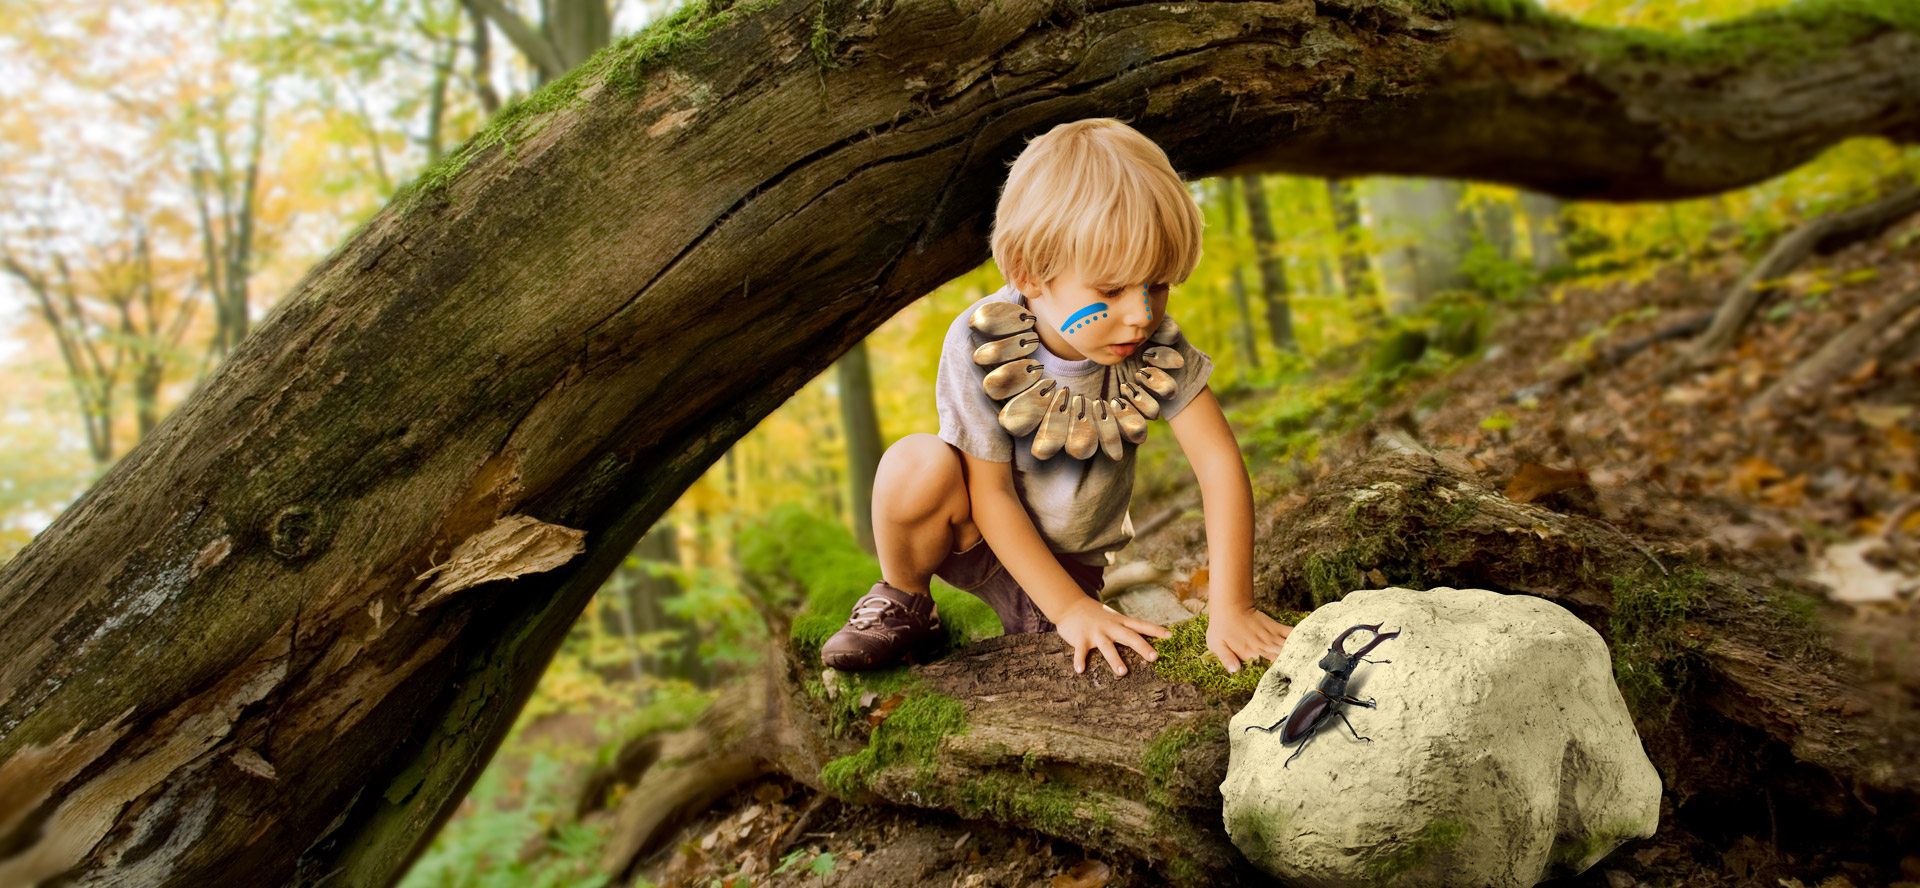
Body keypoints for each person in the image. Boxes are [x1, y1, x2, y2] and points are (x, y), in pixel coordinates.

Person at [820, 118, 1291, 678]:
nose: (1141, 315)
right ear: (1031, 273)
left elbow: (1217, 463)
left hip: (1070, 560)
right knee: (913, 460)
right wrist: (1070, 612)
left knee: (1070, 661)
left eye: (1158, 285)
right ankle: (904, 602)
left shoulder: (1155, 345)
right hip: (978, 534)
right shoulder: (980, 340)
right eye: (1112, 290)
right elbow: (988, 493)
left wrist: (1231, 607)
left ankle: (1044, 613)